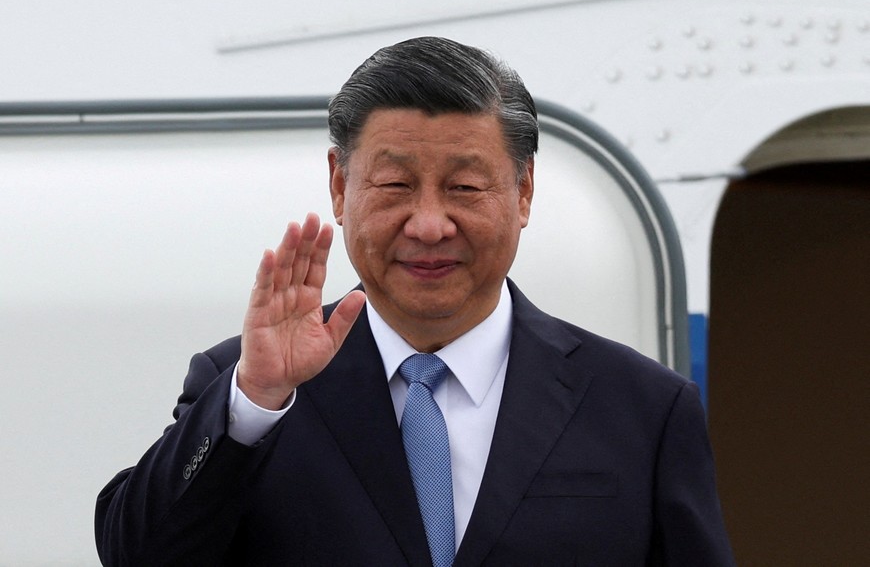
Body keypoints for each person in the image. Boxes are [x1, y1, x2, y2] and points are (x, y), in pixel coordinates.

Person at [95, 36, 734, 566]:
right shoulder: (252, 389)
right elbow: (137, 555)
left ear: (523, 193)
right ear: (341, 187)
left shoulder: (643, 407)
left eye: (464, 186)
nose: (429, 224)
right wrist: (253, 401)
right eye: (396, 184)